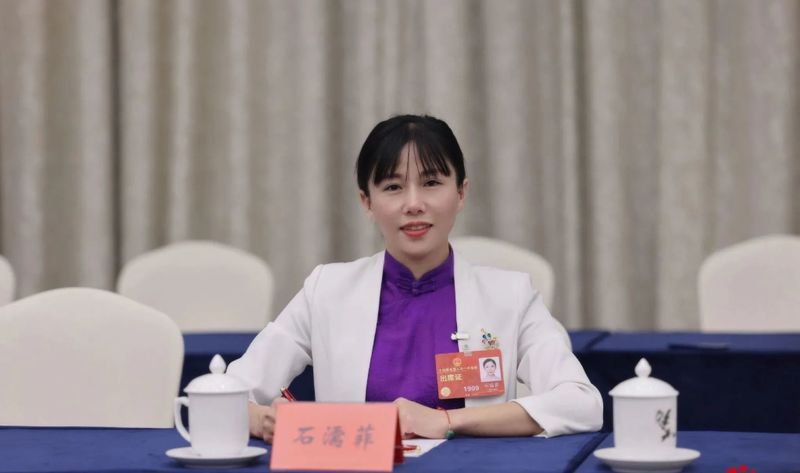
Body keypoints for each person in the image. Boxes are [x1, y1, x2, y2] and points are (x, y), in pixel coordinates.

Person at [227, 114, 602, 444]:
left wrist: (446, 422)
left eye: (431, 182)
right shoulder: (326, 290)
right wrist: (263, 421)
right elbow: (222, 396)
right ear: (367, 202)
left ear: (461, 193)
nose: (413, 204)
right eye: (393, 187)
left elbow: (582, 403)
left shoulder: (510, 295)